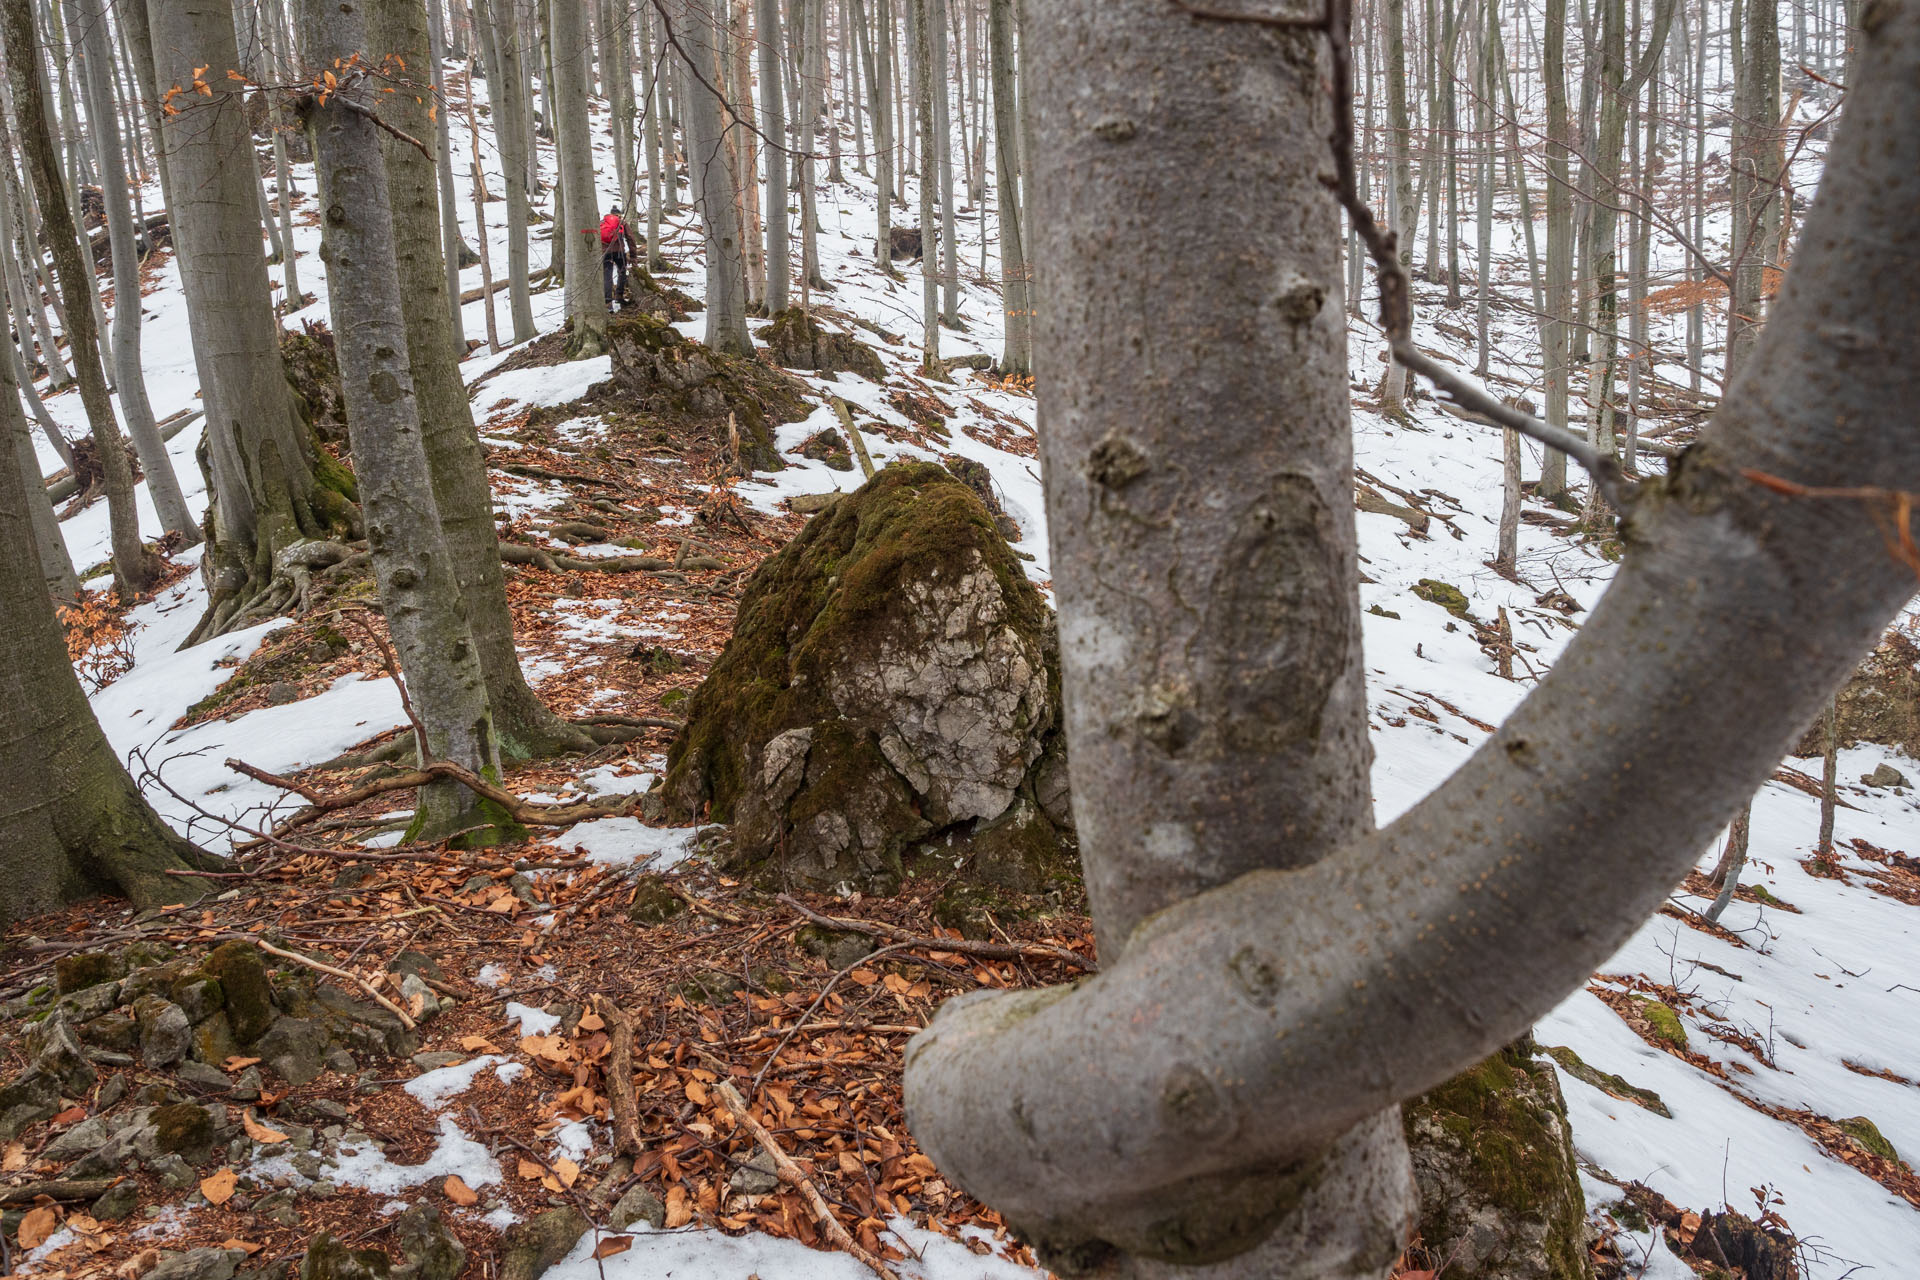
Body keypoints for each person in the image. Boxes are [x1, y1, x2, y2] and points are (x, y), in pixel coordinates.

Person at [601, 204, 640, 308]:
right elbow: (630, 239)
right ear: (619, 215)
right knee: (622, 272)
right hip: (619, 252)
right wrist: (633, 256)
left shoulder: (602, 222)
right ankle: (619, 296)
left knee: (607, 276)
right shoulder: (622, 223)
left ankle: (608, 303)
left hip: (605, 252)